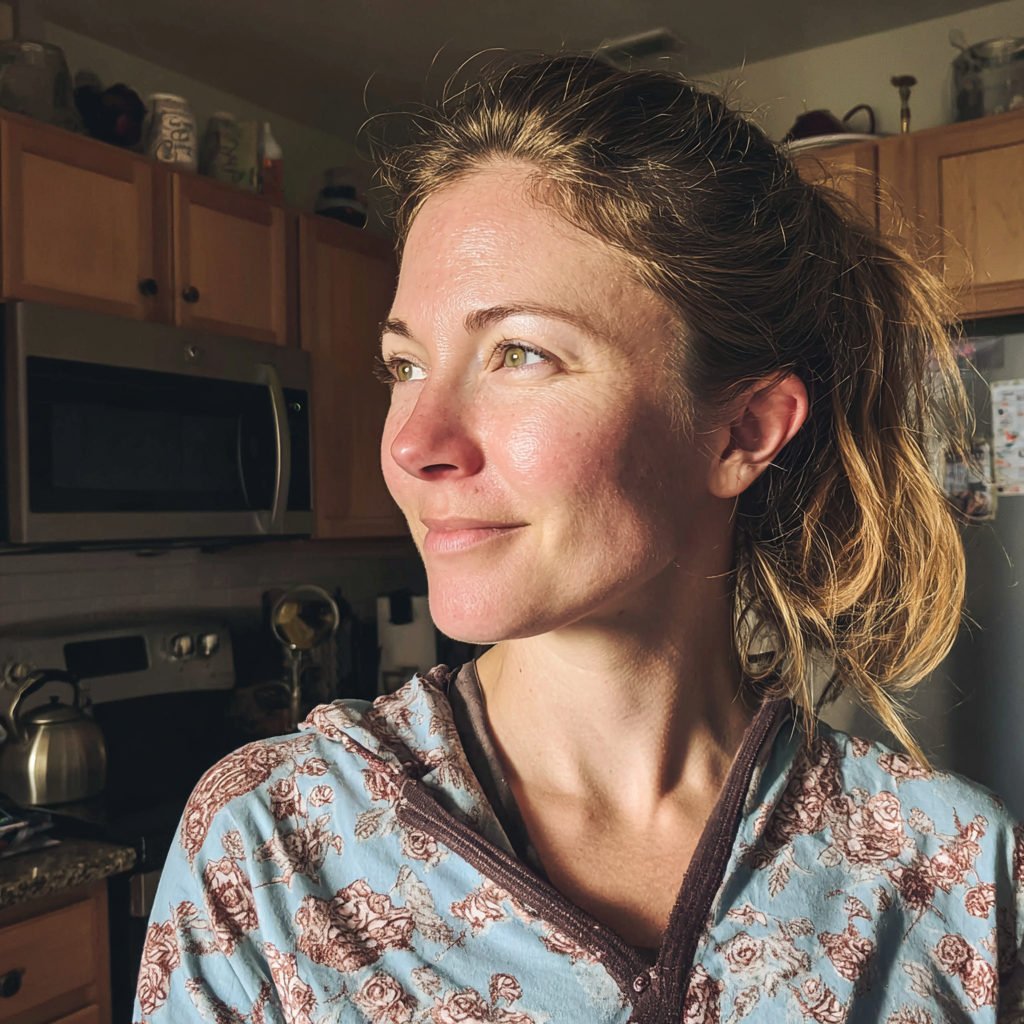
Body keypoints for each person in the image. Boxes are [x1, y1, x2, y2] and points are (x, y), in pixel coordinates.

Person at [134, 56, 1024, 1023]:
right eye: (406, 362)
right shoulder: (270, 846)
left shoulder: (955, 875)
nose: (412, 442)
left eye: (520, 352)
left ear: (744, 431)